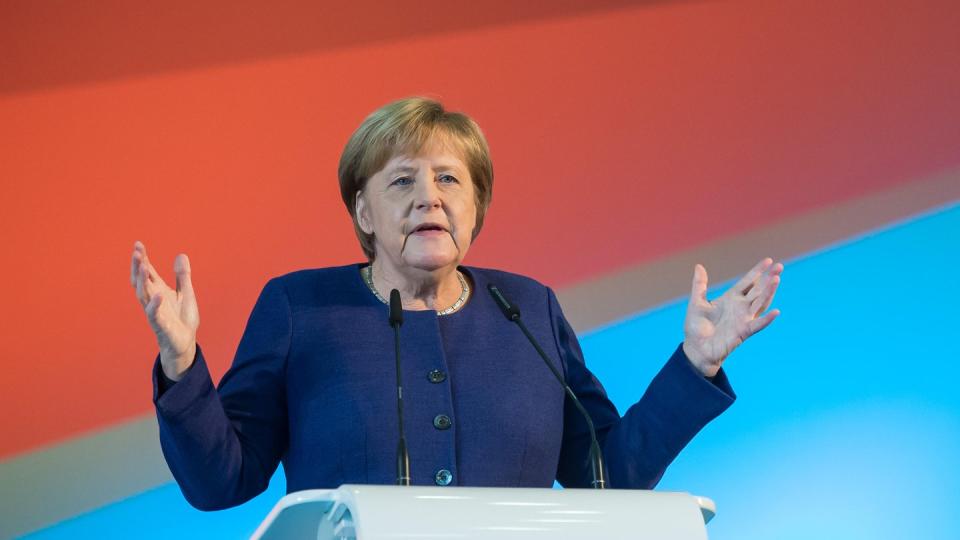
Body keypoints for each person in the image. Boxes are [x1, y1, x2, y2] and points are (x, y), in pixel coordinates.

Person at [130, 97, 782, 511]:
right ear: (363, 210)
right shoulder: (301, 308)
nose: (429, 198)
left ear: (476, 206)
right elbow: (222, 481)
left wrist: (693, 364)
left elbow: (605, 477)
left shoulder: (527, 309)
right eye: (403, 181)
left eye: (449, 179)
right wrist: (183, 366)